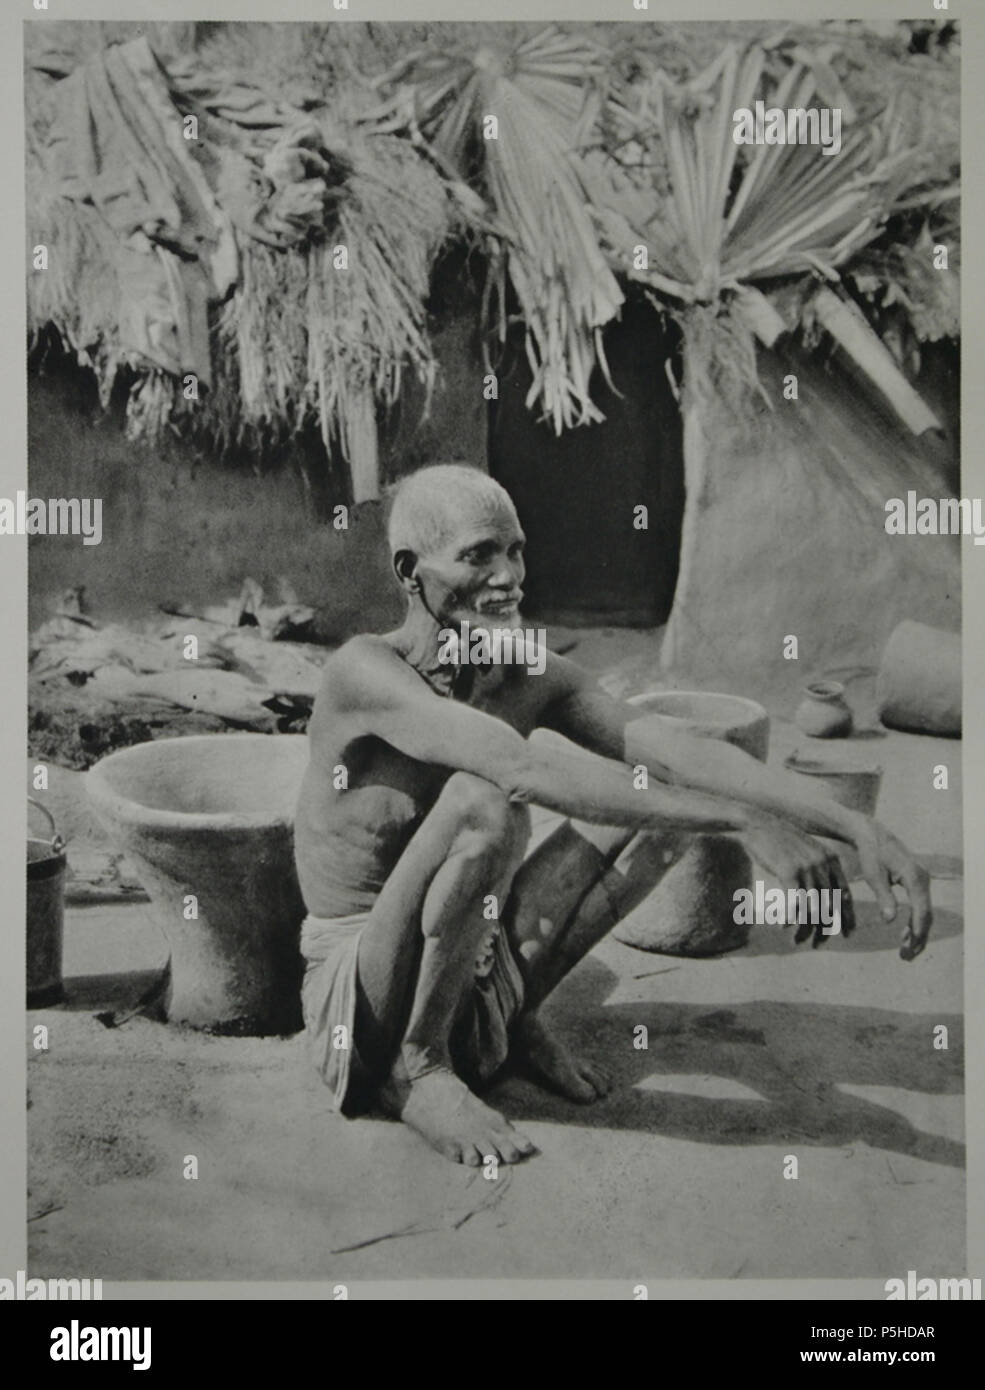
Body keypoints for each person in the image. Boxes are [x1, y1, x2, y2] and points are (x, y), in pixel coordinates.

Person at [293, 464, 932, 1167]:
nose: (508, 575)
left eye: (515, 551)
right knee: (483, 802)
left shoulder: (518, 669)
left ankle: (511, 1015)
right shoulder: (364, 672)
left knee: (652, 809)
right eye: (478, 555)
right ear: (410, 571)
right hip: (362, 1001)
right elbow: (523, 770)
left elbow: (670, 750)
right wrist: (737, 822)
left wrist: (851, 826)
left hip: (470, 965)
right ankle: (417, 1067)